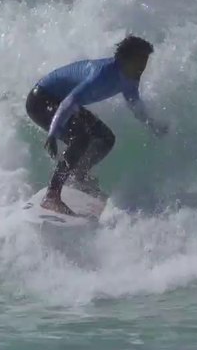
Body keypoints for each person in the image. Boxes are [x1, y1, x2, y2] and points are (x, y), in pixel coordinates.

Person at [24, 35, 169, 216]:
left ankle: (78, 175)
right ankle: (52, 196)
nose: (143, 67)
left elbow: (135, 106)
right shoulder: (102, 73)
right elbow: (68, 102)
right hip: (41, 100)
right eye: (140, 61)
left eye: (145, 62)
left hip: (62, 102)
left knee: (106, 138)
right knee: (81, 137)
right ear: (125, 59)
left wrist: (153, 125)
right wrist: (53, 134)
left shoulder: (131, 79)